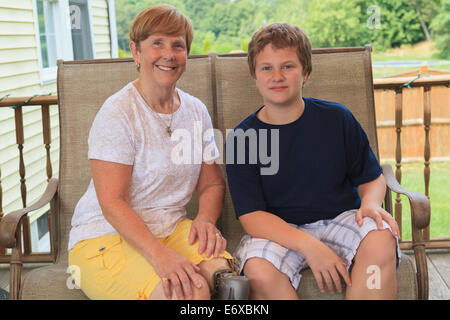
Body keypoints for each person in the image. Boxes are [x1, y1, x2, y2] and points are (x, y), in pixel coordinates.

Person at [68, 4, 236, 300]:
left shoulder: (195, 111)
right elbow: (113, 203)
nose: (169, 54)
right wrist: (160, 256)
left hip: (170, 228)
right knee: (188, 294)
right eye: (157, 43)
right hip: (105, 235)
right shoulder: (118, 113)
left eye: (178, 45)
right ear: (136, 51)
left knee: (230, 283)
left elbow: (212, 183)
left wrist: (206, 220)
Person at [226, 22, 402, 300]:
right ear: (255, 77)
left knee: (381, 238)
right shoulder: (242, 138)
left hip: (340, 218)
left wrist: (370, 203)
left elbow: (371, 178)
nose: (277, 76)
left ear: (305, 72)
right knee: (258, 271)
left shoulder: (338, 119)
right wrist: (310, 245)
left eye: (288, 66)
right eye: (266, 68)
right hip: (279, 231)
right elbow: (252, 217)